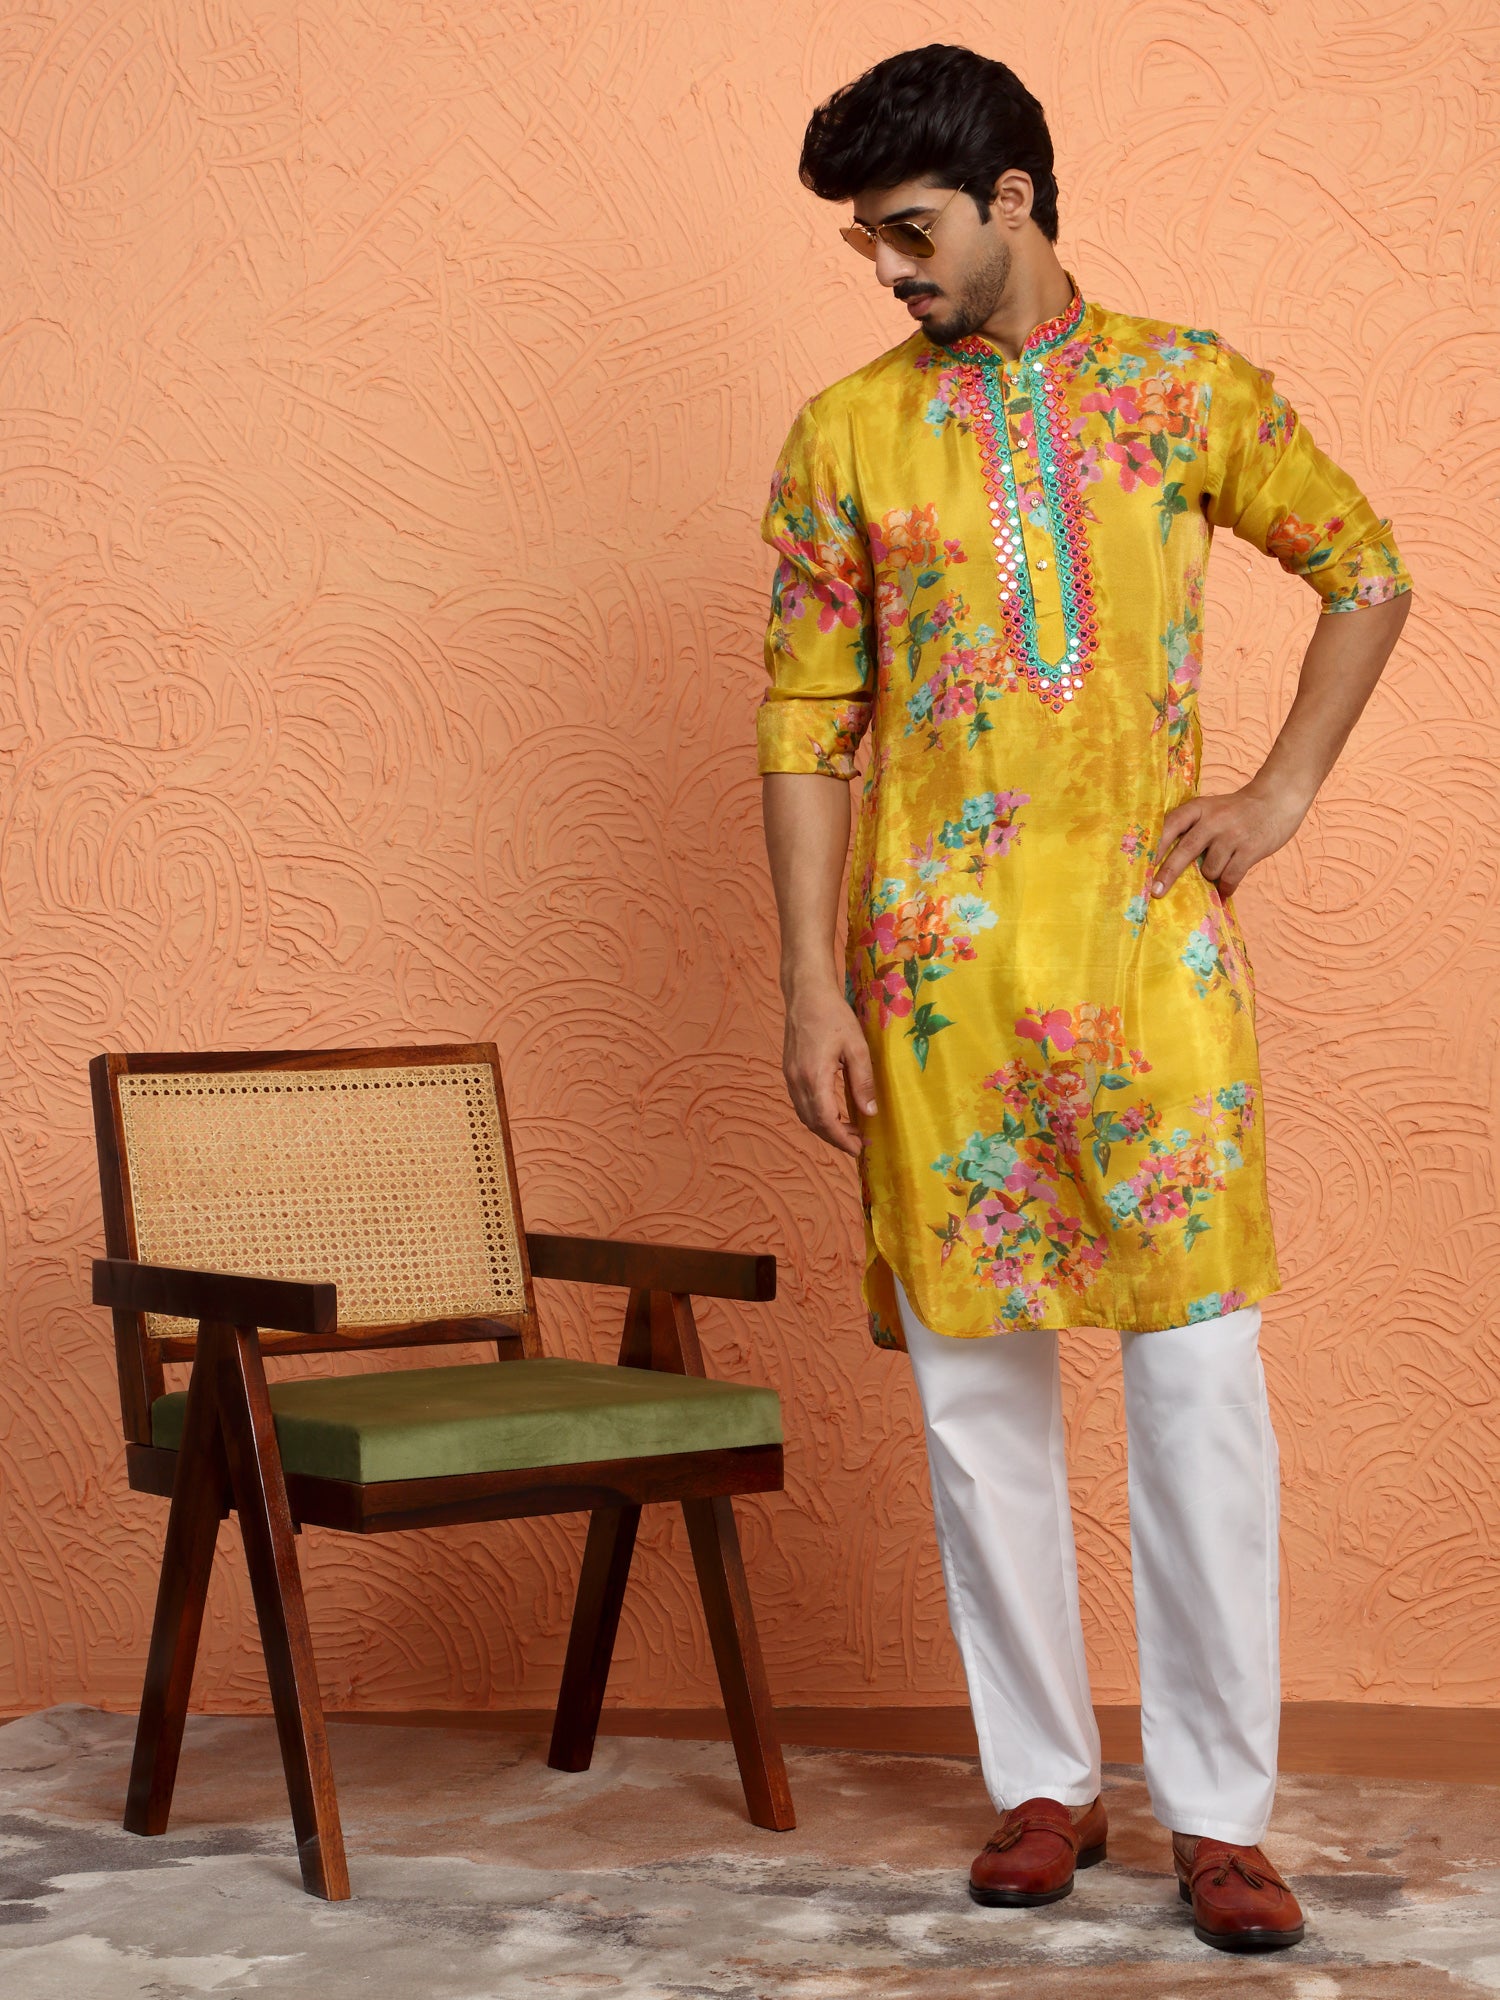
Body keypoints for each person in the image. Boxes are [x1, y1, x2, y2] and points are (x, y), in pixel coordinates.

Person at [756, 44, 1413, 1955]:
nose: (889, 270)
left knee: (1198, 1388)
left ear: (1016, 198)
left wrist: (1278, 792)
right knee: (978, 1397)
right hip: (934, 990)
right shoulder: (845, 435)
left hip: (1148, 972)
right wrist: (809, 986)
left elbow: (1366, 568)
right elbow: (804, 722)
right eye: (867, 243)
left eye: (910, 231)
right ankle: (1043, 1783)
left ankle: (1220, 1815)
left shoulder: (1183, 387)